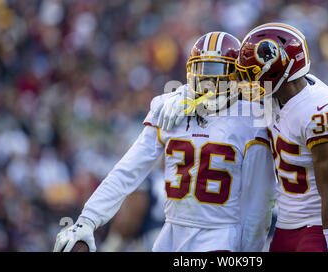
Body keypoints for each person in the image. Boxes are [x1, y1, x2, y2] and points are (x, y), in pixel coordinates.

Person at [53, 31, 276, 252]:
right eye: (201, 70)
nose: (207, 81)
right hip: (170, 234)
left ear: (236, 75)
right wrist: (88, 218)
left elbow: (259, 202)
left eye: (216, 71)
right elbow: (128, 170)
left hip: (220, 236)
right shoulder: (172, 108)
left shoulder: (252, 117)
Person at [235, 22, 328, 252]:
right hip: (286, 223)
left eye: (253, 74)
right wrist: (178, 101)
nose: (249, 83)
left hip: (322, 222)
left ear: (276, 71)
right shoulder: (276, 94)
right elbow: (223, 92)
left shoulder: (321, 111)